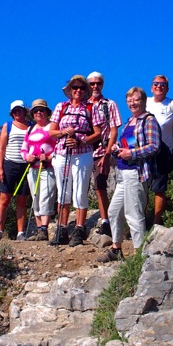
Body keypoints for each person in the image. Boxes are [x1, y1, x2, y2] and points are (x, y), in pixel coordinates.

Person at [100, 86, 161, 263]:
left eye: (136, 100)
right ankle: (116, 249)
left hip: (136, 173)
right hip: (122, 173)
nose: (133, 103)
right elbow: (128, 145)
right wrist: (116, 150)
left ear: (143, 101)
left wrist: (131, 154)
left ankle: (139, 255)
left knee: (134, 214)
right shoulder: (129, 122)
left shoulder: (148, 121)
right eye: (129, 101)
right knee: (113, 211)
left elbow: (154, 146)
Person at [48, 75, 104, 247]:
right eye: (75, 88)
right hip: (62, 153)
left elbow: (97, 133)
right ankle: (62, 228)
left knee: (80, 192)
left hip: (83, 153)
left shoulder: (90, 108)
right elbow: (51, 132)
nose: (78, 90)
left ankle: (79, 229)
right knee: (63, 192)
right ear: (70, 90)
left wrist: (81, 140)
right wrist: (65, 133)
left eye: (81, 88)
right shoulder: (61, 106)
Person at [86, 71, 123, 240]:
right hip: (82, 152)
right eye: (92, 84)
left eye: (98, 83)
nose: (95, 86)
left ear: (103, 85)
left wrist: (108, 154)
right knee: (80, 188)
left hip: (101, 151)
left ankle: (106, 221)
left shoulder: (109, 104)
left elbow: (114, 130)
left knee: (100, 186)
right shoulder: (81, 105)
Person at [145, 75, 173, 225]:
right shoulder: (145, 102)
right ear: (151, 87)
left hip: (164, 152)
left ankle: (156, 222)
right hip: (144, 151)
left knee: (159, 188)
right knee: (142, 188)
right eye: (156, 83)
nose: (159, 86)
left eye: (162, 84)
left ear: (167, 88)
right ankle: (142, 221)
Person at [20, 98, 57, 241]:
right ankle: (39, 228)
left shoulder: (52, 128)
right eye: (36, 111)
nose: (39, 113)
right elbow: (23, 149)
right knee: (35, 197)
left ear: (47, 112)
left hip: (47, 167)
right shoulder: (30, 129)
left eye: (42, 110)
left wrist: (48, 157)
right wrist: (27, 157)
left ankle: (44, 228)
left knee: (46, 196)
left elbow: (59, 146)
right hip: (33, 168)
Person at [0, 101, 32, 241]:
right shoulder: (8, 126)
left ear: (24, 111)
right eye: (15, 111)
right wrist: (0, 168)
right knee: (4, 199)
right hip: (10, 164)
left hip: (26, 165)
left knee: (22, 199)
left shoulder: (31, 126)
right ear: (12, 113)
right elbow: (1, 148)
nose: (18, 113)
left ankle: (20, 232)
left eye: (20, 110)